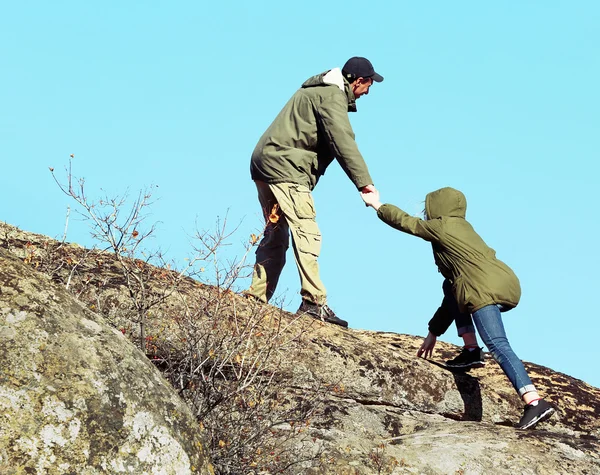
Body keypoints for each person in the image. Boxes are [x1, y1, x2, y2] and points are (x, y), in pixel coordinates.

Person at [361, 186, 555, 429]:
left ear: (438, 208)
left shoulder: (443, 226)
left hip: (482, 286)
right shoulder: (462, 228)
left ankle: (534, 401)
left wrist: (378, 205)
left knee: (497, 343)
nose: (425, 215)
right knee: (450, 286)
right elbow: (453, 294)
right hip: (497, 280)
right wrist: (434, 332)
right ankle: (471, 350)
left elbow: (407, 223)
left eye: (428, 209)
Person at [245, 57, 384, 328]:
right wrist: (365, 183)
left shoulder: (316, 90)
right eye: (368, 85)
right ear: (358, 81)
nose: (368, 91)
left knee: (276, 234)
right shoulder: (332, 96)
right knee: (306, 231)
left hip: (265, 164)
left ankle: (256, 295)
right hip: (286, 167)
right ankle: (313, 301)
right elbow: (343, 141)